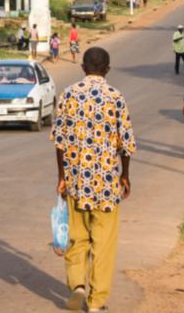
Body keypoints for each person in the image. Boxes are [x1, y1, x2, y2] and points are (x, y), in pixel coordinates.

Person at [50, 47, 135, 313]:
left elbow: (60, 142)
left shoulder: (69, 95)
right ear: (107, 69)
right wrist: (125, 175)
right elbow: (126, 144)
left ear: (83, 68)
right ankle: (97, 303)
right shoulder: (115, 97)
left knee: (78, 237)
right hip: (107, 185)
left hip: (77, 181)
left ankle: (78, 286)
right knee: (104, 243)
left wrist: (62, 177)